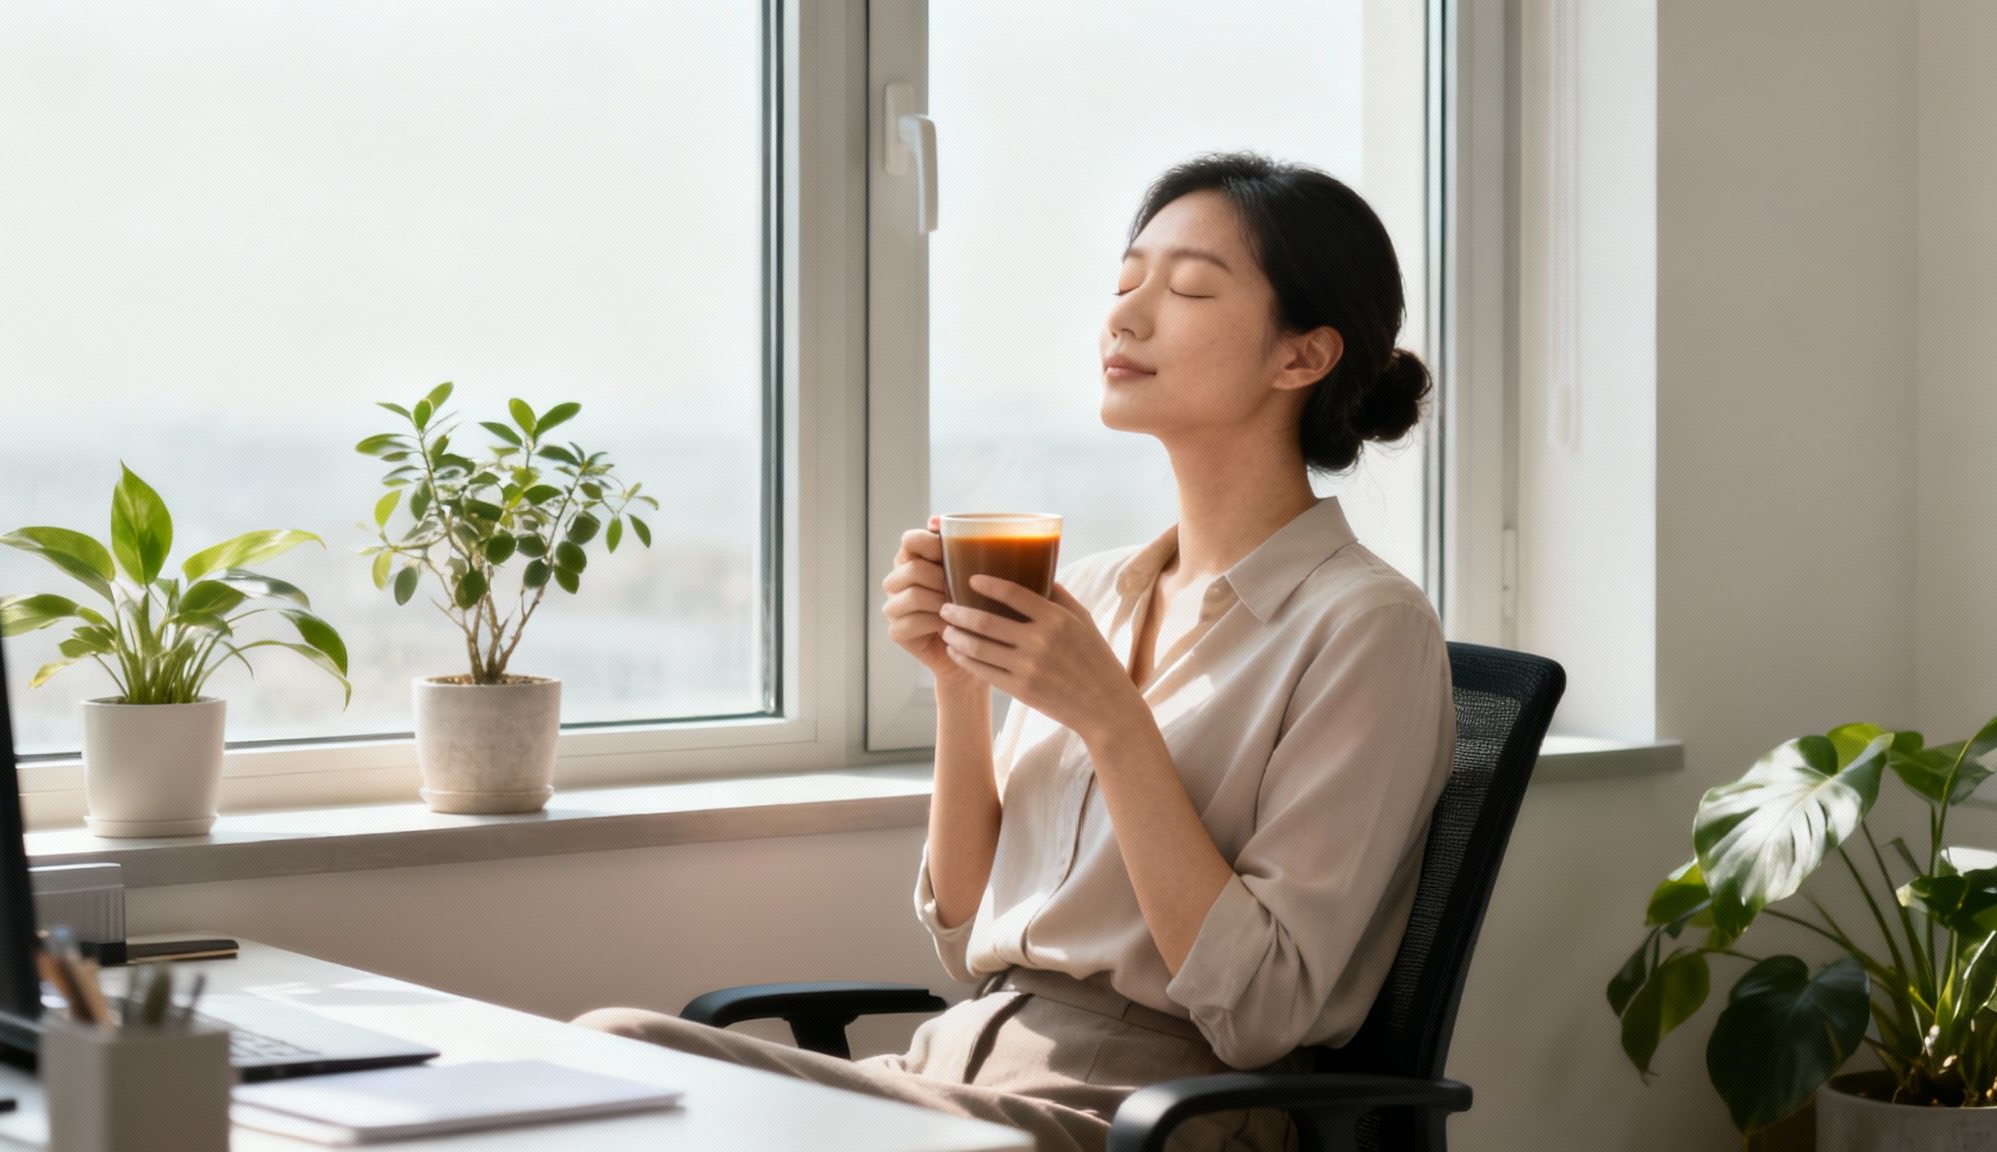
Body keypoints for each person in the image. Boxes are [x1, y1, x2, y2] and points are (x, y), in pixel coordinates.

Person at [573, 150, 1456, 1152]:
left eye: (1187, 288)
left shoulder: (1364, 627)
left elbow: (1261, 1010)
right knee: (608, 1052)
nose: (1123, 318)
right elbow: (963, 932)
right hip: (955, 1067)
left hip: (1150, 1115)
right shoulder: (1088, 594)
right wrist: (956, 687)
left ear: (1299, 358)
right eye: (1125, 282)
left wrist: (1113, 725)